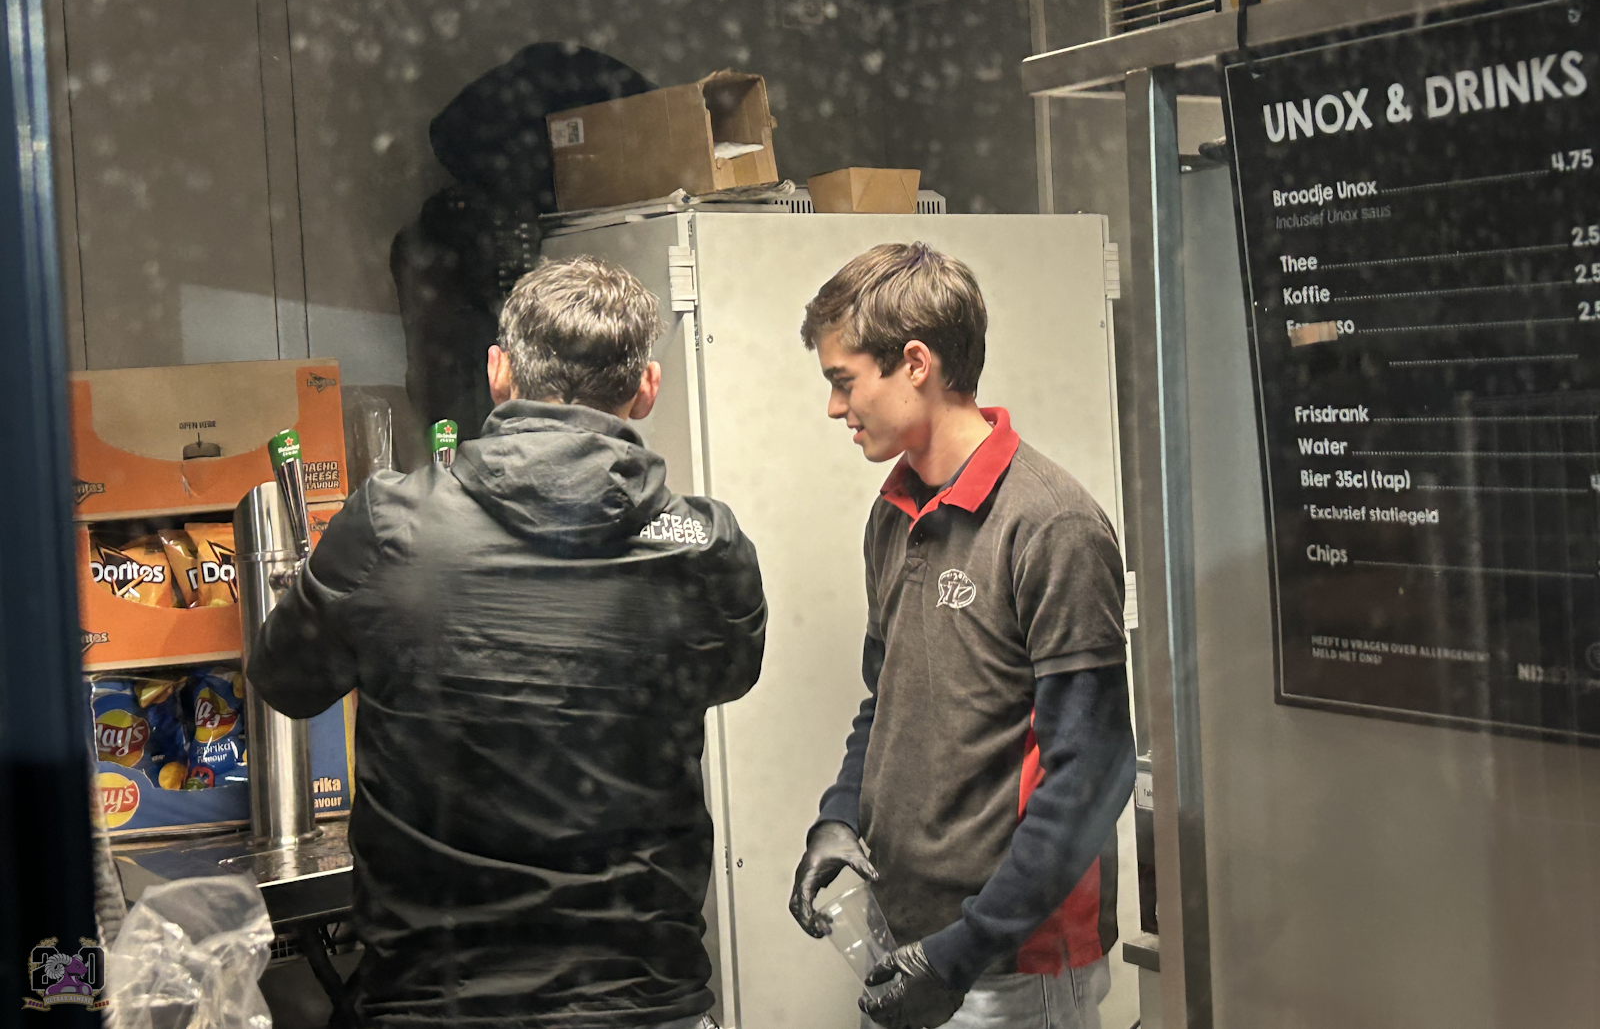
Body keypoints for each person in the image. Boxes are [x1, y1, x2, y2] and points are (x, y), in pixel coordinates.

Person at [249, 256, 766, 1029]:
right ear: (646, 387)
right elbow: (729, 673)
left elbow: (284, 680)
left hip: (435, 1003)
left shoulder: (390, 525)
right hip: (641, 1000)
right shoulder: (703, 544)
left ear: (499, 372)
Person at [787, 243, 1136, 1029]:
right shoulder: (894, 511)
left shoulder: (1053, 525)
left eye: (844, 381)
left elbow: (1093, 772)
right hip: (906, 940)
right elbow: (886, 700)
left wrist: (964, 949)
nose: (836, 409)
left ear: (916, 363)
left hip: (1009, 965)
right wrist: (840, 815)